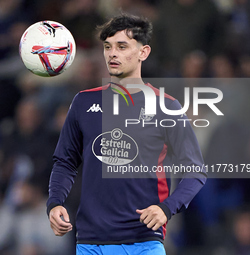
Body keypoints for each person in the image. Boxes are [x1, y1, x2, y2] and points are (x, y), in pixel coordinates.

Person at [46, 13, 207, 255]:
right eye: (108, 47)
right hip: (90, 242)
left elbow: (195, 171)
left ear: (144, 52)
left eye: (122, 47)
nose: (113, 53)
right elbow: (65, 162)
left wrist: (166, 208)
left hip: (143, 242)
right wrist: (55, 202)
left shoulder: (166, 106)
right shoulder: (83, 102)